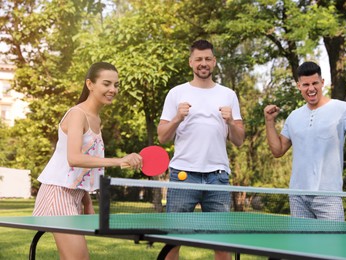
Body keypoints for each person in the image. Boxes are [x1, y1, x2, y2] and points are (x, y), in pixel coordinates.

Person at [32, 62, 143, 260]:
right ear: (90, 84)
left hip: (73, 194)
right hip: (57, 193)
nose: (112, 89)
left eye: (116, 85)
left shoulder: (96, 118)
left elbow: (82, 170)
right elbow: (74, 159)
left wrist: (86, 201)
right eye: (107, 84)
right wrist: (119, 161)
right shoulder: (77, 114)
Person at [157, 39, 245, 260]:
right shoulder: (176, 93)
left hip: (218, 177)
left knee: (221, 244)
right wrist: (178, 117)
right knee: (173, 242)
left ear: (214, 62)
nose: (203, 63)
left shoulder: (228, 95)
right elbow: (162, 136)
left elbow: (239, 140)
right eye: (198, 59)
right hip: (183, 174)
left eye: (207, 59)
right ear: (191, 62)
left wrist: (231, 122)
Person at [263, 61, 346, 221]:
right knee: (300, 247)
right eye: (306, 84)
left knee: (332, 246)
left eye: (315, 83)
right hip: (298, 196)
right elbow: (277, 150)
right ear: (298, 86)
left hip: (328, 196)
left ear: (322, 82)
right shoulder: (294, 116)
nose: (311, 88)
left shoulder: (342, 109)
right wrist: (269, 122)